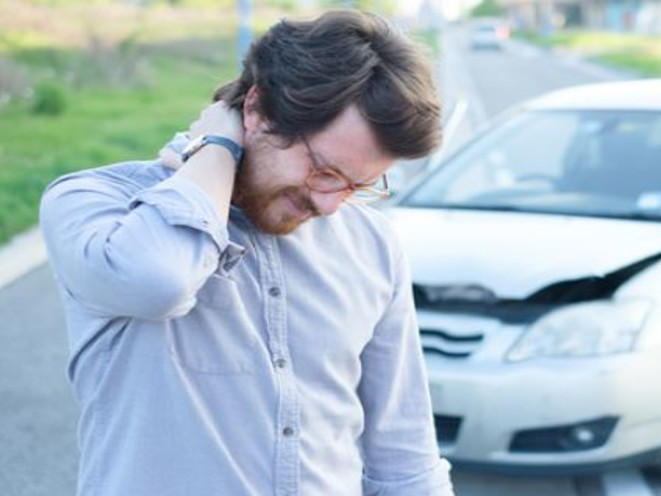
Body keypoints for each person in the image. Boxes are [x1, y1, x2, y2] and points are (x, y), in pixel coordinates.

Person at [39, 10, 453, 496]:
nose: (330, 203)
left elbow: (406, 461)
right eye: (324, 170)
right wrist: (217, 147)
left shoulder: (373, 243)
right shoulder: (97, 203)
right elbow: (157, 282)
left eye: (359, 186)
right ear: (256, 109)